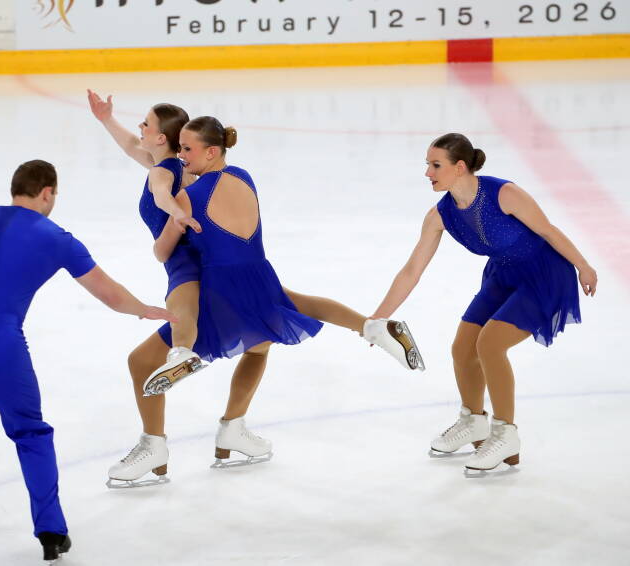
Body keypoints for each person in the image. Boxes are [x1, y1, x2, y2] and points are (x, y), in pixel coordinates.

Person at [106, 117, 423, 485]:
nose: (181, 154)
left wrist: (175, 220)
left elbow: (163, 248)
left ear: (209, 150)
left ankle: (157, 438)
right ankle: (371, 327)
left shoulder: (186, 193)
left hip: (216, 283)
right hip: (257, 272)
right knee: (269, 334)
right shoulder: (243, 175)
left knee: (142, 360)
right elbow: (145, 154)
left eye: (187, 149)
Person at [0, 160, 174, 560]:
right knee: (30, 433)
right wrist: (145, 309)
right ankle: (51, 532)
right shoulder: (56, 237)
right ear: (47, 192)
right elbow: (108, 294)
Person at [370, 133, 597, 471]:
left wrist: (584, 266)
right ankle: (473, 421)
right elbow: (412, 271)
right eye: (427, 165)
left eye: (435, 165)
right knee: (462, 348)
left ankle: (506, 434)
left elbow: (548, 231)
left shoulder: (504, 194)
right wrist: (378, 318)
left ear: (459, 167)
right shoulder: (440, 216)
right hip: (502, 276)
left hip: (543, 274)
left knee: (489, 344)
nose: (428, 173)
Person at [87, 90, 206, 395]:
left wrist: (177, 214)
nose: (140, 128)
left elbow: (161, 195)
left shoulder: (162, 172)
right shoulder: (174, 165)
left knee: (180, 306)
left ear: (161, 139)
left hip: (181, 252)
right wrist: (106, 118)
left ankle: (182, 355)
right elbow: (129, 145)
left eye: (146, 124)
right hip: (186, 249)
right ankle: (181, 354)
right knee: (185, 305)